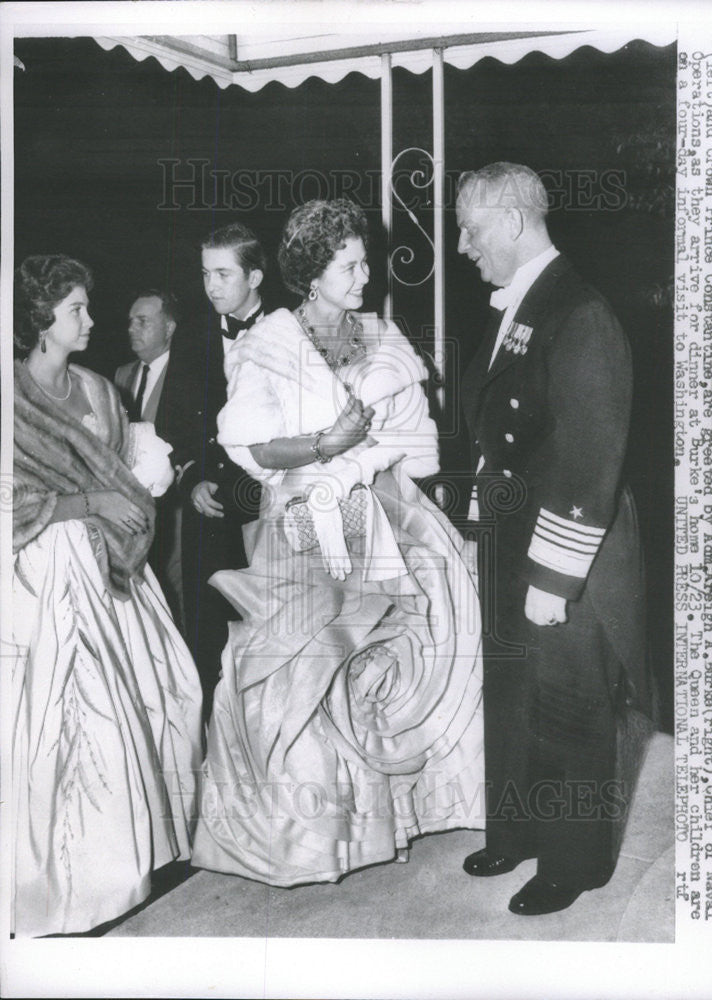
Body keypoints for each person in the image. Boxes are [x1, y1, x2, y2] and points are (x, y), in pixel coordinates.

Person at [191, 199, 484, 886]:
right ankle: (316, 837)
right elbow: (251, 447)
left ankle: (396, 817)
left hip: (386, 511)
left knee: (409, 650)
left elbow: (418, 440)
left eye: (365, 262)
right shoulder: (271, 341)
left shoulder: (382, 334)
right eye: (349, 265)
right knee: (305, 670)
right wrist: (329, 446)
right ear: (312, 274)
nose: (365, 276)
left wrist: (367, 460)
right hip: (303, 527)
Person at [456, 162, 652, 915]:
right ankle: (518, 830)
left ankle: (574, 863)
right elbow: (499, 428)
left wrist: (553, 579)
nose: (467, 248)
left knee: (570, 703)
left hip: (568, 545)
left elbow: (587, 460)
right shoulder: (521, 302)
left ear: (510, 221)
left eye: (472, 231)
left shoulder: (581, 311)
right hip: (512, 533)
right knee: (511, 692)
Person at [11, 255, 202, 937]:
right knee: (72, 721)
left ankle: (136, 861)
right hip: (44, 575)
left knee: (163, 696)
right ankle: (69, 887)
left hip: (113, 569)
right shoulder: (10, 395)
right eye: (76, 311)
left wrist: (133, 490)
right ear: (40, 321)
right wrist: (88, 499)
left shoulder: (97, 390)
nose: (92, 321)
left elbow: (126, 475)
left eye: (88, 307)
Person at [162, 223, 266, 723]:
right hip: (210, 509)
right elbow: (173, 424)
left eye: (223, 274)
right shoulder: (193, 335)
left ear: (256, 275)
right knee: (208, 637)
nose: (211, 286)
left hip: (269, 511)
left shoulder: (288, 328)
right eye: (205, 274)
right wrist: (192, 478)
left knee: (267, 635)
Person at [115, 289, 183, 625]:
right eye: (130, 321)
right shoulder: (120, 375)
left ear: (169, 328)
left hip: (176, 509)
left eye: (143, 321)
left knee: (175, 589)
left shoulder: (187, 374)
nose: (132, 328)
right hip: (130, 511)